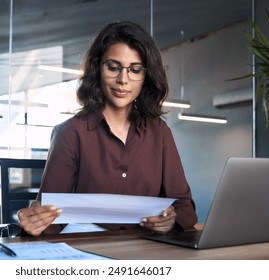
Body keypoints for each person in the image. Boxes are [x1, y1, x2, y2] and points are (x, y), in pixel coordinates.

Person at [17, 21, 197, 236]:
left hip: (148, 250)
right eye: (113, 67)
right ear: (97, 68)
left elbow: (185, 207)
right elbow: (49, 218)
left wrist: (170, 221)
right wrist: (35, 222)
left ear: (145, 77)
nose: (123, 80)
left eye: (135, 70)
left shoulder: (160, 132)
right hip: (89, 247)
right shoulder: (71, 133)